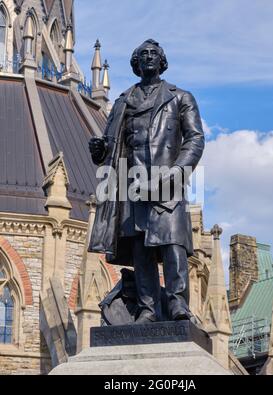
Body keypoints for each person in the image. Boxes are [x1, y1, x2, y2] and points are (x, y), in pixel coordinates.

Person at [89, 39, 205, 324]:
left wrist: (177, 173)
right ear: (136, 63)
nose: (149, 58)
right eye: (143, 55)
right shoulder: (123, 101)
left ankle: (179, 306)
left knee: (172, 245)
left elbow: (195, 139)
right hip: (132, 182)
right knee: (141, 249)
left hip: (167, 182)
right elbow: (110, 146)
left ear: (162, 61)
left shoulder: (181, 97)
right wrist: (99, 150)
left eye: (154, 54)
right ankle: (148, 309)